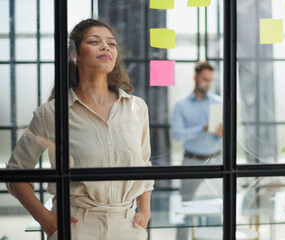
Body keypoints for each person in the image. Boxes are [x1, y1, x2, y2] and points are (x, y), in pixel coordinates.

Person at [5, 19, 153, 240]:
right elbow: (16, 173)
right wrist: (45, 219)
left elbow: (145, 164)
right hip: (75, 226)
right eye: (94, 41)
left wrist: (145, 211)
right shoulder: (52, 113)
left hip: (128, 225)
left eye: (111, 44)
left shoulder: (136, 107)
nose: (106, 47)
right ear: (75, 54)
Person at [171, 61, 223, 240]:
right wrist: (203, 127)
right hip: (191, 162)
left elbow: (223, 133)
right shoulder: (181, 105)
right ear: (195, 78)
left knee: (215, 210)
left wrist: (221, 133)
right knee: (185, 209)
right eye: (204, 80)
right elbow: (177, 135)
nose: (207, 84)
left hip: (215, 161)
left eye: (209, 80)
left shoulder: (219, 103)